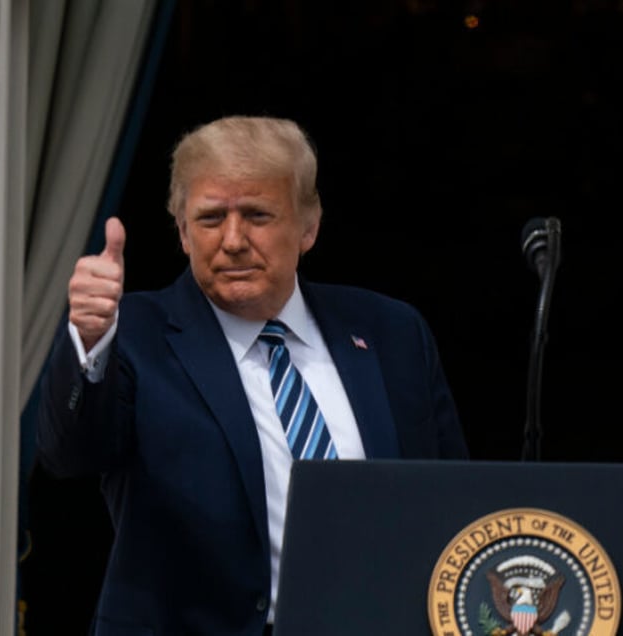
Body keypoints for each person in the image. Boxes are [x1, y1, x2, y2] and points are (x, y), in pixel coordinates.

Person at [36, 115, 469, 635]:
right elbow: (68, 455)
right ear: (181, 231)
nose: (234, 240)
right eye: (211, 218)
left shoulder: (391, 333)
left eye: (258, 215)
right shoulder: (136, 337)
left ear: (308, 227)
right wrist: (89, 338)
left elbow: (452, 502)